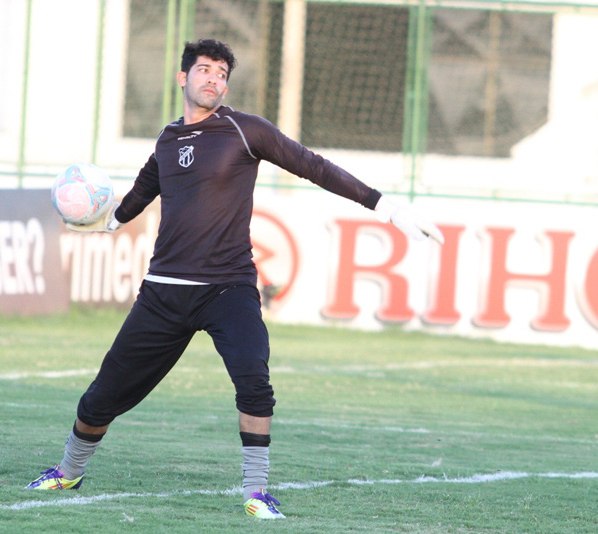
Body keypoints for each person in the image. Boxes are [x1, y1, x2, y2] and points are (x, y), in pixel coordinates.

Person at [27, 38, 443, 519]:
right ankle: (68, 471)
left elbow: (314, 166)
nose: (213, 79)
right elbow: (140, 193)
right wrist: (107, 223)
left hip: (229, 288)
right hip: (164, 292)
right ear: (183, 78)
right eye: (204, 70)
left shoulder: (246, 131)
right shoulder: (167, 139)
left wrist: (387, 208)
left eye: (222, 73)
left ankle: (256, 491)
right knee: (103, 395)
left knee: (254, 380)